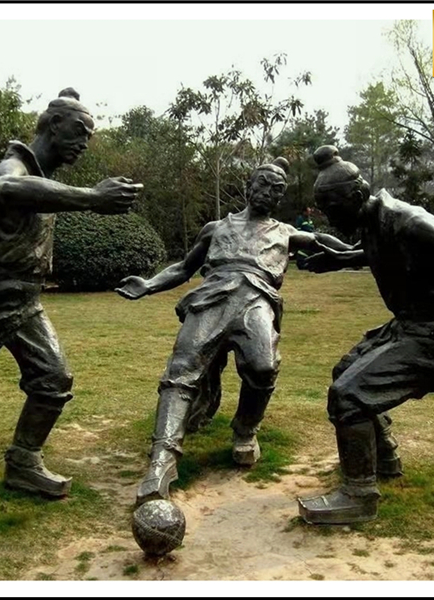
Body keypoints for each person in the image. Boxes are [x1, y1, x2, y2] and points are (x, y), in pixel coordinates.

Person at [0, 88, 144, 497]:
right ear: (54, 125)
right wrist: (92, 197)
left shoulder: (40, 177)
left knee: (53, 379)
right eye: (80, 131)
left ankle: (23, 464)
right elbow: (4, 188)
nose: (84, 143)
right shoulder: (13, 166)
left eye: (89, 136)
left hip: (26, 302)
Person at [116, 157, 354, 506]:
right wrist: (149, 284)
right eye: (264, 184)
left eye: (277, 189)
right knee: (181, 370)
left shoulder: (285, 233)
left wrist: (362, 253)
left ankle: (245, 430)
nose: (269, 192)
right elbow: (184, 268)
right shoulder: (216, 228)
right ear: (248, 187)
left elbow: (322, 241)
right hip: (211, 298)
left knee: (263, 367)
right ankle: (162, 460)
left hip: (256, 300)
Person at [296, 145, 434, 524]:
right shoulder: (375, 222)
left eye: (333, 209)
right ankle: (384, 456)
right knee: (344, 373)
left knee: (348, 395)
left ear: (357, 196)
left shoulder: (412, 224)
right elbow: (376, 251)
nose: (329, 218)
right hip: (407, 328)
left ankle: (359, 495)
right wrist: (339, 260)